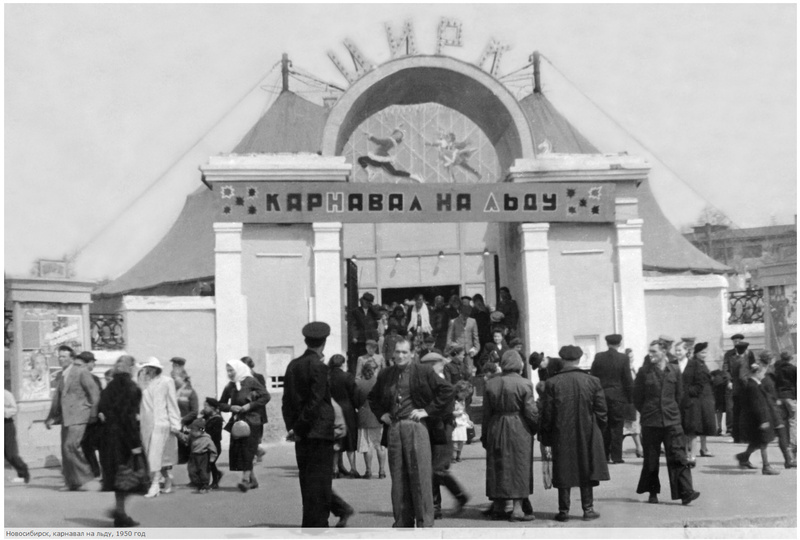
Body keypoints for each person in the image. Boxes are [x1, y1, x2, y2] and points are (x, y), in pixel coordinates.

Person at [368, 337, 454, 528]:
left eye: (404, 352)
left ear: (412, 354)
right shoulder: (386, 374)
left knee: (420, 476)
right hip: (394, 428)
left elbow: (447, 390)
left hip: (416, 427)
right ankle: (402, 522)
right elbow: (372, 397)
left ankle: (424, 523)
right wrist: (381, 414)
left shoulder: (423, 371)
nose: (400, 356)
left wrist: (427, 411)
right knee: (398, 478)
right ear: (393, 354)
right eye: (397, 352)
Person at [282, 322, 354, 528]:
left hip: (302, 434)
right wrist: (300, 427)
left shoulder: (293, 365)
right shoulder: (319, 367)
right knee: (320, 483)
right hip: (319, 432)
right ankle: (318, 527)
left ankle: (313, 525)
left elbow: (287, 401)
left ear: (306, 341)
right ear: (324, 342)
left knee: (307, 482)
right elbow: (315, 402)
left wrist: (293, 428)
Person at [540, 345, 608, 522]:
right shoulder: (593, 381)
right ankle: (588, 509)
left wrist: (546, 434)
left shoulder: (552, 382)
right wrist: (598, 429)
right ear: (579, 359)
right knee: (586, 466)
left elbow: (547, 413)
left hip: (561, 431)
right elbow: (602, 411)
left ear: (562, 360)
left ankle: (563, 511)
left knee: (563, 467)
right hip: (587, 431)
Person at [633, 340, 700, 505]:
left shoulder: (674, 370)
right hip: (651, 421)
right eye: (650, 351)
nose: (651, 354)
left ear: (663, 352)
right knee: (651, 459)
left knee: (678, 456)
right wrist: (648, 411)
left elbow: (679, 395)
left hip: (672, 420)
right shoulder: (644, 372)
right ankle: (652, 492)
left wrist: (671, 411)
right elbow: (637, 397)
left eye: (654, 351)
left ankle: (686, 492)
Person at [481, 350, 538, 522]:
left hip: (496, 425)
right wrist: (535, 427)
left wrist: (485, 435)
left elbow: (486, 413)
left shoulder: (491, 383)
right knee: (519, 466)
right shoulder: (525, 383)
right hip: (518, 426)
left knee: (498, 465)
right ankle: (518, 509)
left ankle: (499, 507)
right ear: (519, 364)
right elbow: (531, 411)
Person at [418, 352, 469, 521]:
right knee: (433, 468)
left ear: (434, 364)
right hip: (434, 427)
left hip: (442, 428)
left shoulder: (440, 383)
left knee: (437, 468)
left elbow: (442, 408)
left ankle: (459, 496)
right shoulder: (431, 381)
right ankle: (435, 507)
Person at [44, 349, 100, 491]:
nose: (60, 359)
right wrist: (52, 417)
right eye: (59, 356)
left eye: (64, 356)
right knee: (65, 450)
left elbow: (94, 393)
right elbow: (59, 399)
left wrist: (93, 414)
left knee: (71, 446)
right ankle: (71, 482)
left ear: (72, 358)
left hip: (80, 415)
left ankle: (87, 478)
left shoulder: (81, 371)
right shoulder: (62, 375)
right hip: (66, 417)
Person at [98, 355, 142, 527]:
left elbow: (102, 409)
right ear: (130, 368)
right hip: (125, 439)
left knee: (119, 478)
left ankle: (120, 512)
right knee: (137, 476)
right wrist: (135, 444)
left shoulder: (109, 387)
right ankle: (119, 512)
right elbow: (129, 418)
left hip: (108, 438)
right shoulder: (131, 388)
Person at [218, 359, 270, 492]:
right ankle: (253, 481)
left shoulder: (251, 381)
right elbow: (221, 404)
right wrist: (230, 407)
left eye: (231, 370)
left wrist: (250, 405)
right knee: (241, 451)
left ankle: (245, 480)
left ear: (238, 369)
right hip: (238, 423)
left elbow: (266, 396)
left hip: (252, 421)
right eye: (228, 371)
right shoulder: (230, 385)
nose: (229, 373)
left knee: (248, 450)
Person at [138, 357, 182, 498]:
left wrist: (175, 424)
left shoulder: (166, 382)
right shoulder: (143, 383)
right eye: (147, 368)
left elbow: (172, 403)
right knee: (154, 455)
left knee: (155, 455)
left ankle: (155, 484)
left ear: (156, 369)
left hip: (161, 422)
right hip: (146, 424)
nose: (148, 370)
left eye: (151, 368)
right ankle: (167, 478)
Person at [589, 334, 632, 465]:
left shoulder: (599, 357)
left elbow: (593, 376)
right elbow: (627, 378)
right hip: (618, 396)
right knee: (617, 426)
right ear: (619, 344)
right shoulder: (623, 358)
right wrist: (630, 398)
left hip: (601, 395)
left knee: (603, 425)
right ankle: (616, 456)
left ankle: (604, 455)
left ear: (607, 343)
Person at [736, 358, 779, 475]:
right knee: (763, 442)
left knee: (756, 442)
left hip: (756, 419)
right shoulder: (753, 386)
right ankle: (766, 466)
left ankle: (744, 457)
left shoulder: (754, 384)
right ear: (757, 373)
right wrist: (763, 420)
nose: (764, 375)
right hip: (758, 420)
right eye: (763, 372)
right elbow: (757, 405)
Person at [760, 351, 796, 468]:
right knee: (788, 425)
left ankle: (788, 460)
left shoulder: (773, 370)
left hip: (776, 403)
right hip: (773, 405)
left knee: (781, 431)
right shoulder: (766, 372)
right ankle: (748, 457)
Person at [681, 343, 716, 465]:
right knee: (697, 424)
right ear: (696, 353)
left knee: (704, 423)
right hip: (699, 397)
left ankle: (703, 447)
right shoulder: (694, 364)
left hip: (705, 395)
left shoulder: (703, 363)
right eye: (702, 352)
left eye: (705, 352)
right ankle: (696, 450)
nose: (704, 354)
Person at [354, 359, 386, 480]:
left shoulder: (359, 383)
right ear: (375, 370)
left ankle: (368, 471)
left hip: (364, 416)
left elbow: (356, 401)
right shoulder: (380, 383)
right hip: (378, 417)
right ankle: (381, 471)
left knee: (367, 446)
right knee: (380, 445)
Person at [329, 354, 360, 478]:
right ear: (342, 363)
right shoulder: (347, 376)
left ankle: (335, 468)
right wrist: (356, 405)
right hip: (347, 409)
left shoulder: (327, 377)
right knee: (350, 440)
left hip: (333, 410)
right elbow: (354, 394)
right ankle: (353, 468)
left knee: (337, 439)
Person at [723, 335, 755, 442]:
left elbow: (752, 366)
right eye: (735, 341)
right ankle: (731, 430)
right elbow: (725, 368)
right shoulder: (729, 354)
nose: (737, 343)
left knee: (742, 409)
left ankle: (741, 433)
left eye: (739, 341)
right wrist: (729, 381)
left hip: (744, 385)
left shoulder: (749, 353)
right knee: (731, 408)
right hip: (734, 384)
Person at [79, 352, 104, 480]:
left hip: (90, 418)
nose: (94, 364)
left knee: (90, 446)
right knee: (89, 446)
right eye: (92, 362)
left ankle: (96, 472)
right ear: (87, 363)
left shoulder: (93, 378)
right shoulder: (90, 378)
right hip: (90, 418)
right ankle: (97, 472)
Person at [349, 292, 381, 373]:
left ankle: (375, 374)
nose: (366, 303)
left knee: (374, 357)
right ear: (362, 300)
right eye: (365, 301)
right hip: (361, 339)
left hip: (372, 337)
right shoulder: (356, 311)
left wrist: (372, 307)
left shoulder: (373, 311)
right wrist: (354, 336)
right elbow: (353, 325)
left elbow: (379, 316)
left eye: (368, 302)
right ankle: (361, 373)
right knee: (362, 357)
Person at [173, 367, 198, 465]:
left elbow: (194, 411)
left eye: (175, 378)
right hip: (176, 426)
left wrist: (182, 420)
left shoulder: (190, 392)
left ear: (183, 378)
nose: (173, 380)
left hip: (187, 426)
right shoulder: (174, 391)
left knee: (186, 454)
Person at [5, 389, 31, 484]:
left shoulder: (5, 394)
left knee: (10, 453)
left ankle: (24, 474)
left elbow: (14, 409)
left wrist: (3, 411)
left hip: (6, 424)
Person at [186, 418, 217, 494]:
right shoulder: (192, 437)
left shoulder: (206, 439)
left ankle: (205, 485)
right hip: (193, 456)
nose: (192, 432)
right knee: (192, 471)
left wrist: (212, 457)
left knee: (203, 471)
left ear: (201, 430)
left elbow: (213, 448)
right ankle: (198, 484)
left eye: (194, 431)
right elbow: (186, 440)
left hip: (203, 456)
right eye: (191, 430)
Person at [774, 351, 797, 454]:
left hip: (780, 396)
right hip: (791, 396)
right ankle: (794, 443)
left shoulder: (777, 369)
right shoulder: (794, 369)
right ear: (790, 358)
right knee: (793, 420)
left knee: (784, 420)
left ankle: (785, 442)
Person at [447, 304, 480, 374]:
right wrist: (454, 347)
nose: (465, 317)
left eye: (467, 316)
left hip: (469, 351)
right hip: (457, 352)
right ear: (459, 312)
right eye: (463, 315)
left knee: (469, 372)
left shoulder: (473, 321)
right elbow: (449, 339)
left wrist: (476, 349)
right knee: (457, 371)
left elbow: (476, 338)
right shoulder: (453, 322)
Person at [622, 348, 643, 458]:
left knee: (633, 426)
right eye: (629, 357)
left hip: (634, 401)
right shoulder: (625, 369)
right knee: (631, 426)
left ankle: (639, 448)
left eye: (632, 357)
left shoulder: (633, 369)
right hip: (628, 401)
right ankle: (639, 448)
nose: (631, 359)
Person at [200, 397, 224, 489]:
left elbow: (215, 434)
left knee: (211, 463)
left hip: (215, 445)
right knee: (210, 464)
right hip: (206, 444)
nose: (204, 408)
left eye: (206, 406)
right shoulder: (206, 418)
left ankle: (214, 482)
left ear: (212, 408)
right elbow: (201, 428)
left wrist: (204, 432)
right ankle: (217, 475)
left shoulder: (217, 419)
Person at [451, 381, 472, 462]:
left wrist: (468, 420)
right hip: (455, 423)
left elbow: (464, 412)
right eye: (464, 394)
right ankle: (453, 456)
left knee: (461, 440)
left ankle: (458, 456)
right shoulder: (453, 400)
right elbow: (449, 411)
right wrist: (455, 413)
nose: (465, 396)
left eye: (466, 395)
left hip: (462, 423)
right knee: (454, 440)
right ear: (458, 391)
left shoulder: (463, 400)